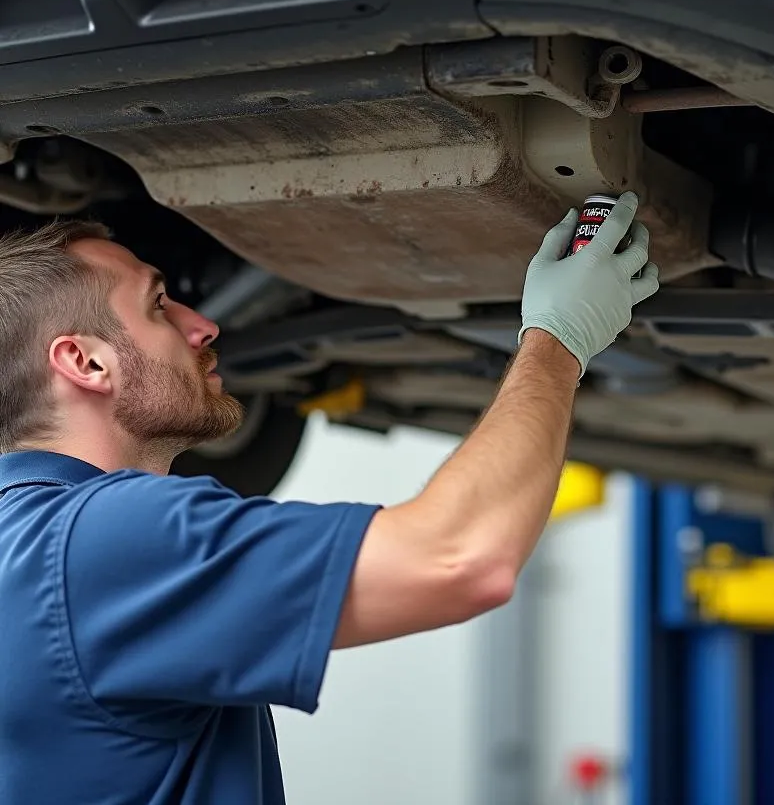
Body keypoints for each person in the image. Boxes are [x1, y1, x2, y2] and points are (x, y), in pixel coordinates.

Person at [0, 191, 658, 805]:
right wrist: (559, 340)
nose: (202, 325)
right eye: (159, 305)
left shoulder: (27, 545)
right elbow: (461, 557)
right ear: (85, 363)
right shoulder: (100, 542)